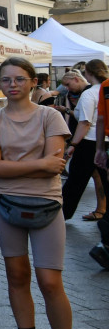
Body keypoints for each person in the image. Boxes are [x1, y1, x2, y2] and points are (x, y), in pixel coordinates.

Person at [0, 57, 75, 329]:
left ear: (33, 82)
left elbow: (55, 163)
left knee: (50, 281)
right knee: (17, 276)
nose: (13, 85)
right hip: (6, 204)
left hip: (47, 203)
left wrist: (8, 167)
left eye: (20, 79)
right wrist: (39, 165)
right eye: (6, 80)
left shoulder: (50, 116)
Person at [63, 61, 109, 221]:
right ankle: (102, 210)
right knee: (102, 178)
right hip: (103, 140)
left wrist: (73, 144)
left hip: (90, 141)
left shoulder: (90, 94)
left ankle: (61, 213)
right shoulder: (104, 90)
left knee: (75, 180)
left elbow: (85, 123)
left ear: (87, 73)